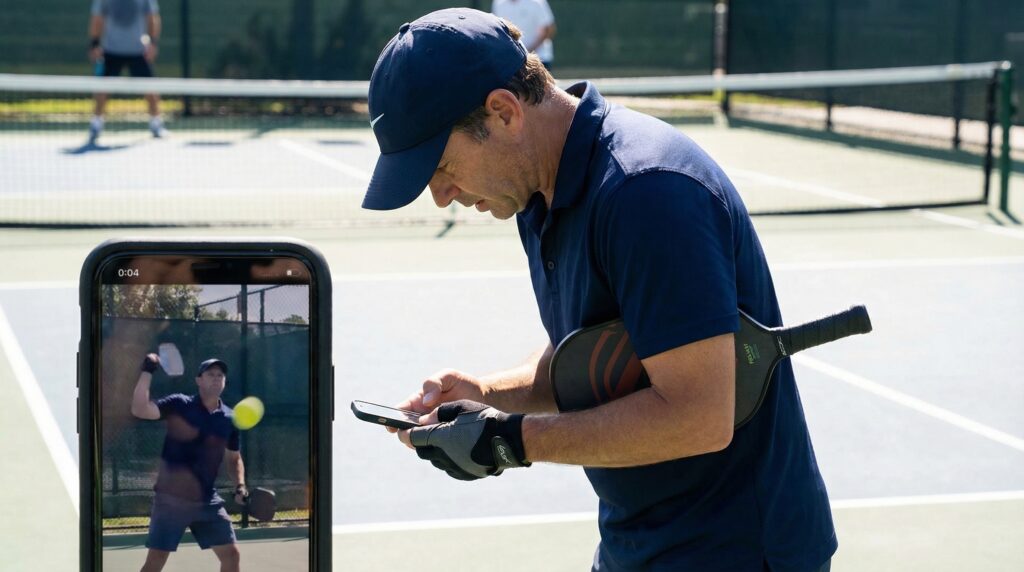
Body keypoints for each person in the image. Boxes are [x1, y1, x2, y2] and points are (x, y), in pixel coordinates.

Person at [362, 8, 836, 572]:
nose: (440, 196)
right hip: (638, 545)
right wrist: (488, 392)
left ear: (503, 112)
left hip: (737, 552)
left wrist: (513, 440)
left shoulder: (647, 193)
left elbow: (699, 414)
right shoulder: (536, 192)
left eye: (440, 166)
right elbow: (602, 352)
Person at [130, 356, 246, 572]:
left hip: (207, 500)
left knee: (231, 555)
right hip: (170, 500)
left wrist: (240, 485)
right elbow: (140, 409)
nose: (216, 378)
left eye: (220, 375)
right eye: (210, 374)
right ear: (198, 380)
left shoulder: (230, 418)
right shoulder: (179, 404)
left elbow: (234, 458)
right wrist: (147, 370)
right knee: (155, 561)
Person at [88, 0, 165, 144]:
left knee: (150, 88)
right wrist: (94, 43)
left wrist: (153, 43)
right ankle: (96, 125)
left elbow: (152, 17)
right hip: (111, 50)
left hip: (138, 51)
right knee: (102, 89)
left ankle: (156, 124)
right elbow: (97, 18)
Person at [491, 0, 556, 69]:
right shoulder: (498, 3)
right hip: (512, 61)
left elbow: (548, 29)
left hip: (540, 59)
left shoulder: (537, 2)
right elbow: (497, 28)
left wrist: (527, 52)